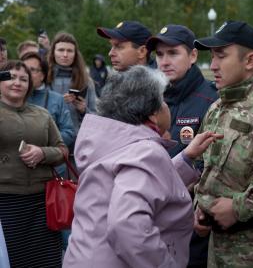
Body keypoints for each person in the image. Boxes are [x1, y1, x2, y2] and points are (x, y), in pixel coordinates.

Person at [63, 65, 222, 268]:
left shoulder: (113, 142)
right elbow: (127, 225)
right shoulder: (144, 152)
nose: (167, 106)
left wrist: (185, 158)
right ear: (153, 113)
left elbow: (135, 182)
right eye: (163, 101)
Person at [193, 20, 253, 267]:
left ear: (249, 61)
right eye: (212, 57)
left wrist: (238, 208)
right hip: (217, 249)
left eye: (221, 56)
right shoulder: (215, 109)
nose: (212, 65)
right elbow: (207, 169)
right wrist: (199, 208)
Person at [146, 24, 218, 268]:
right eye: (160, 54)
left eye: (173, 53)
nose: (164, 61)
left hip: (194, 221)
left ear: (193, 56)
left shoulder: (212, 100)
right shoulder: (150, 101)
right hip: (154, 217)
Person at [0, 60, 65, 267]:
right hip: (6, 204)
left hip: (41, 203)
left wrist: (42, 153)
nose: (17, 82)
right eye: (10, 77)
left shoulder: (42, 114)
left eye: (23, 79)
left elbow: (63, 151)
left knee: (46, 262)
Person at [21, 51, 75, 150]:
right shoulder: (12, 96)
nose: (25, 74)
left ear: (42, 75)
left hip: (50, 161)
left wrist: (43, 143)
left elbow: (69, 133)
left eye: (32, 70)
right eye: (23, 69)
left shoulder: (57, 99)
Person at [46, 32, 97, 134]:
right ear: (53, 52)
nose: (65, 55)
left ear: (75, 54)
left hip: (79, 139)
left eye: (69, 51)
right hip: (50, 139)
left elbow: (96, 116)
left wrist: (83, 110)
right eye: (61, 50)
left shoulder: (86, 80)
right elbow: (34, 112)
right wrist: (58, 103)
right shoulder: (43, 78)